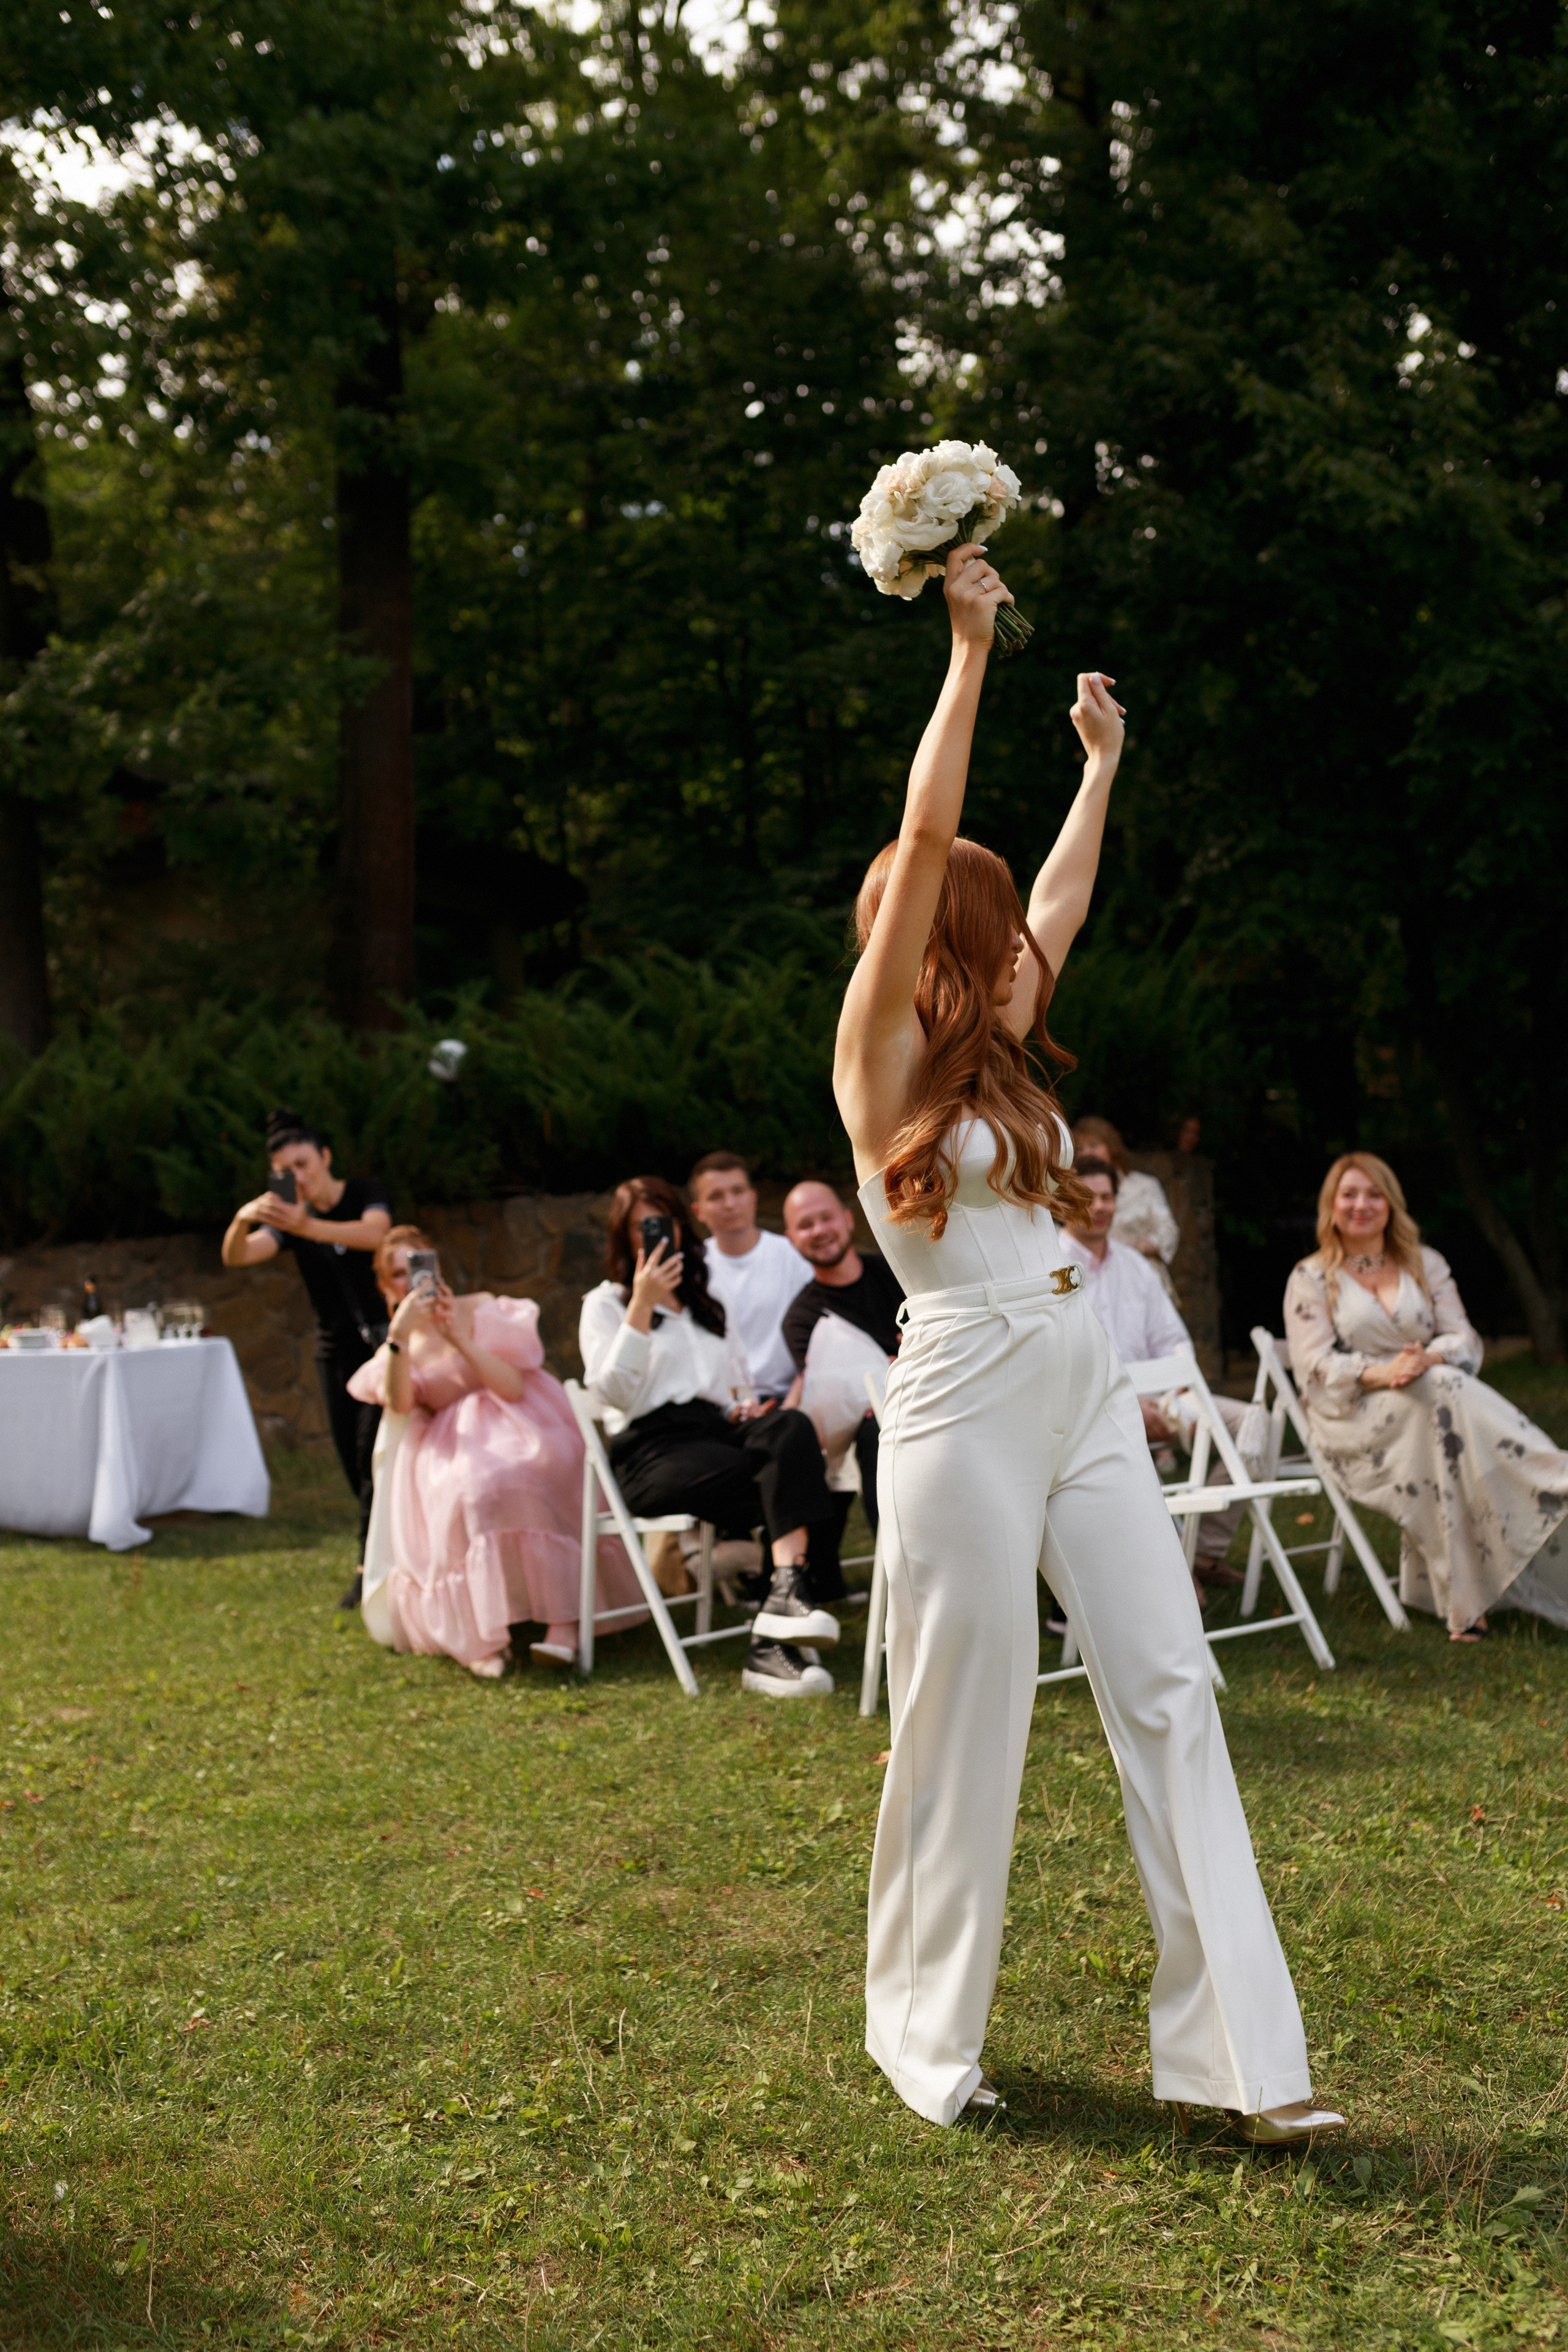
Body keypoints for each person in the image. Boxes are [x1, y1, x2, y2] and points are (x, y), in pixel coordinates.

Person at [833, 539, 1340, 2144]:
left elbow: (1057, 902)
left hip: (1078, 1383)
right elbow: (928, 837)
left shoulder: (1003, 1061)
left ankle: (1240, 2062)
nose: (1004, 960)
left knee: (1173, 1683)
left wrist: (1100, 771)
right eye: (976, 941)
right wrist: (967, 657)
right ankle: (925, 2041)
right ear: (930, 941)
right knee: (966, 1716)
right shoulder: (877, 1060)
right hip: (962, 1394)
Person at [579, 1176, 851, 1697]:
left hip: (717, 1432)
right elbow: (614, 1394)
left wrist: (740, 1406)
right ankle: (782, 1621)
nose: (655, 1235)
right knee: (786, 1477)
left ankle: (782, 1605)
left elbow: (732, 1383)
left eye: (664, 1222)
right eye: (641, 1227)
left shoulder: (707, 1299)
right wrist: (642, 1304)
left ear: (682, 1228)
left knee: (790, 1428)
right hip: (651, 1451)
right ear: (623, 1237)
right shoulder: (606, 1305)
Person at [1284, 1153, 1568, 1643]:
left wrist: (1426, 1359)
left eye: (1375, 1194)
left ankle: (1466, 1603)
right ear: (1330, 1206)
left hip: (1431, 1411)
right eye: (1349, 1194)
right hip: (1351, 1419)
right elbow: (1315, 1368)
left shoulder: (1424, 1264)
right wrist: (1382, 1371)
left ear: (1392, 1205)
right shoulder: (1309, 1279)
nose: (1362, 1205)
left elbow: (1464, 1338)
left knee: (1439, 1398)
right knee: (1441, 1398)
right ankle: (1549, 1471)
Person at [346, 1228, 647, 1676]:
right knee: (473, 1488)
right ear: (386, 1286)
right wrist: (399, 1337)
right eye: (397, 1274)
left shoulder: (482, 1308)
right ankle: (480, 1636)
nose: (409, 1281)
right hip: (451, 1442)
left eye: (418, 1267)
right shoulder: (400, 1343)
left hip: (520, 1418)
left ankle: (562, 1623)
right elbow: (401, 1402)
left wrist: (457, 1338)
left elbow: (510, 1384)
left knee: (539, 1468)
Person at [221, 1107, 391, 1600]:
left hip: (384, 1349)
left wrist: (308, 1227)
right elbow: (239, 1256)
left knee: (371, 1459)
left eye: (302, 1164)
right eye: (285, 1172)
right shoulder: (287, 1217)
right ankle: (378, 1561)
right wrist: (242, 1219)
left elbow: (376, 1233)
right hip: (334, 1353)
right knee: (349, 1461)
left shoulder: (364, 1193)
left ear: (325, 1157)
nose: (297, 1176)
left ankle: (368, 1571)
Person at [1059, 1156, 1248, 1597]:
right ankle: (1167, 1574)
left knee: (1253, 1426)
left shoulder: (1136, 1265)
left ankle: (1198, 1554)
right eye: (1089, 1197)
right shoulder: (1048, 1269)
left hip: (1161, 1400)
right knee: (1124, 1440)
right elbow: (1063, 1364)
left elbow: (1172, 1340)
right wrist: (1129, 1405)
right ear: (1063, 1202)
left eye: (1108, 1197)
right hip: (1094, 1412)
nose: (1100, 1206)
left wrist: (1178, 1392)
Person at [780, 1180, 905, 1535]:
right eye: (805, 1225)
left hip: (943, 1394)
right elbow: (837, 1392)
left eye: (826, 1218)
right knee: (875, 1430)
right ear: (791, 1238)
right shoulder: (802, 1320)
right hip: (872, 1425)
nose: (819, 1231)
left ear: (849, 1220)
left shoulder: (896, 1273)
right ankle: (902, 1563)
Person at [689, 1152, 813, 1400]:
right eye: (716, 1196)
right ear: (698, 1211)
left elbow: (818, 1337)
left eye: (738, 1191)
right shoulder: (693, 1269)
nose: (730, 1204)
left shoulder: (792, 1255)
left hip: (794, 1398)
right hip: (723, 1405)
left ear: (753, 1197)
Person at [1071, 1115, 1180, 1295]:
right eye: (1080, 1149)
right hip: (1096, 1285)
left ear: (1111, 1147)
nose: (1087, 1153)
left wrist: (1141, 1248)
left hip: (1143, 1282)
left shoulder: (1144, 1186)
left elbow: (1168, 1232)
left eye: (1093, 1145)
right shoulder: (1072, 1193)